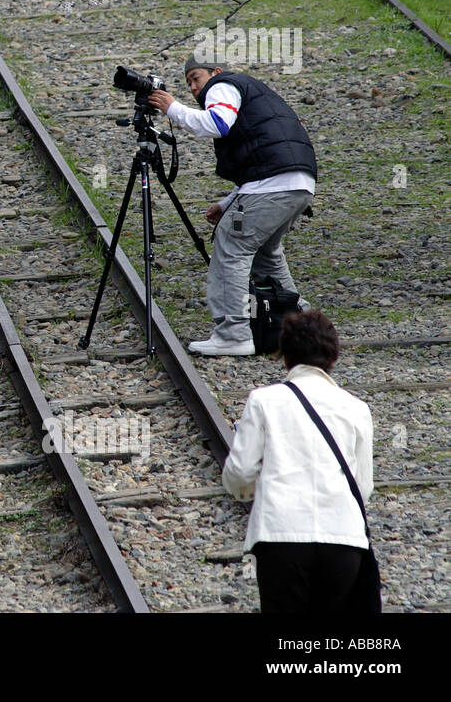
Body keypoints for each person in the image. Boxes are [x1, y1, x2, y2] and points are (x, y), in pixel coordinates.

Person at [148, 49, 315, 356]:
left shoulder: (223, 85)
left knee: (232, 244)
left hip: (274, 183)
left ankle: (234, 333)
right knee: (266, 252)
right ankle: (302, 326)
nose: (195, 88)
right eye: (189, 83)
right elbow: (266, 159)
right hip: (298, 183)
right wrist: (229, 204)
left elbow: (217, 124)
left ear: (215, 71)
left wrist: (173, 108)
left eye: (196, 78)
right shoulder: (250, 92)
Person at [222, 310, 374, 612]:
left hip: (281, 535)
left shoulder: (264, 400)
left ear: (285, 356)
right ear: (333, 357)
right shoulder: (357, 408)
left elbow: (239, 471)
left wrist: (251, 491)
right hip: (344, 538)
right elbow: (363, 487)